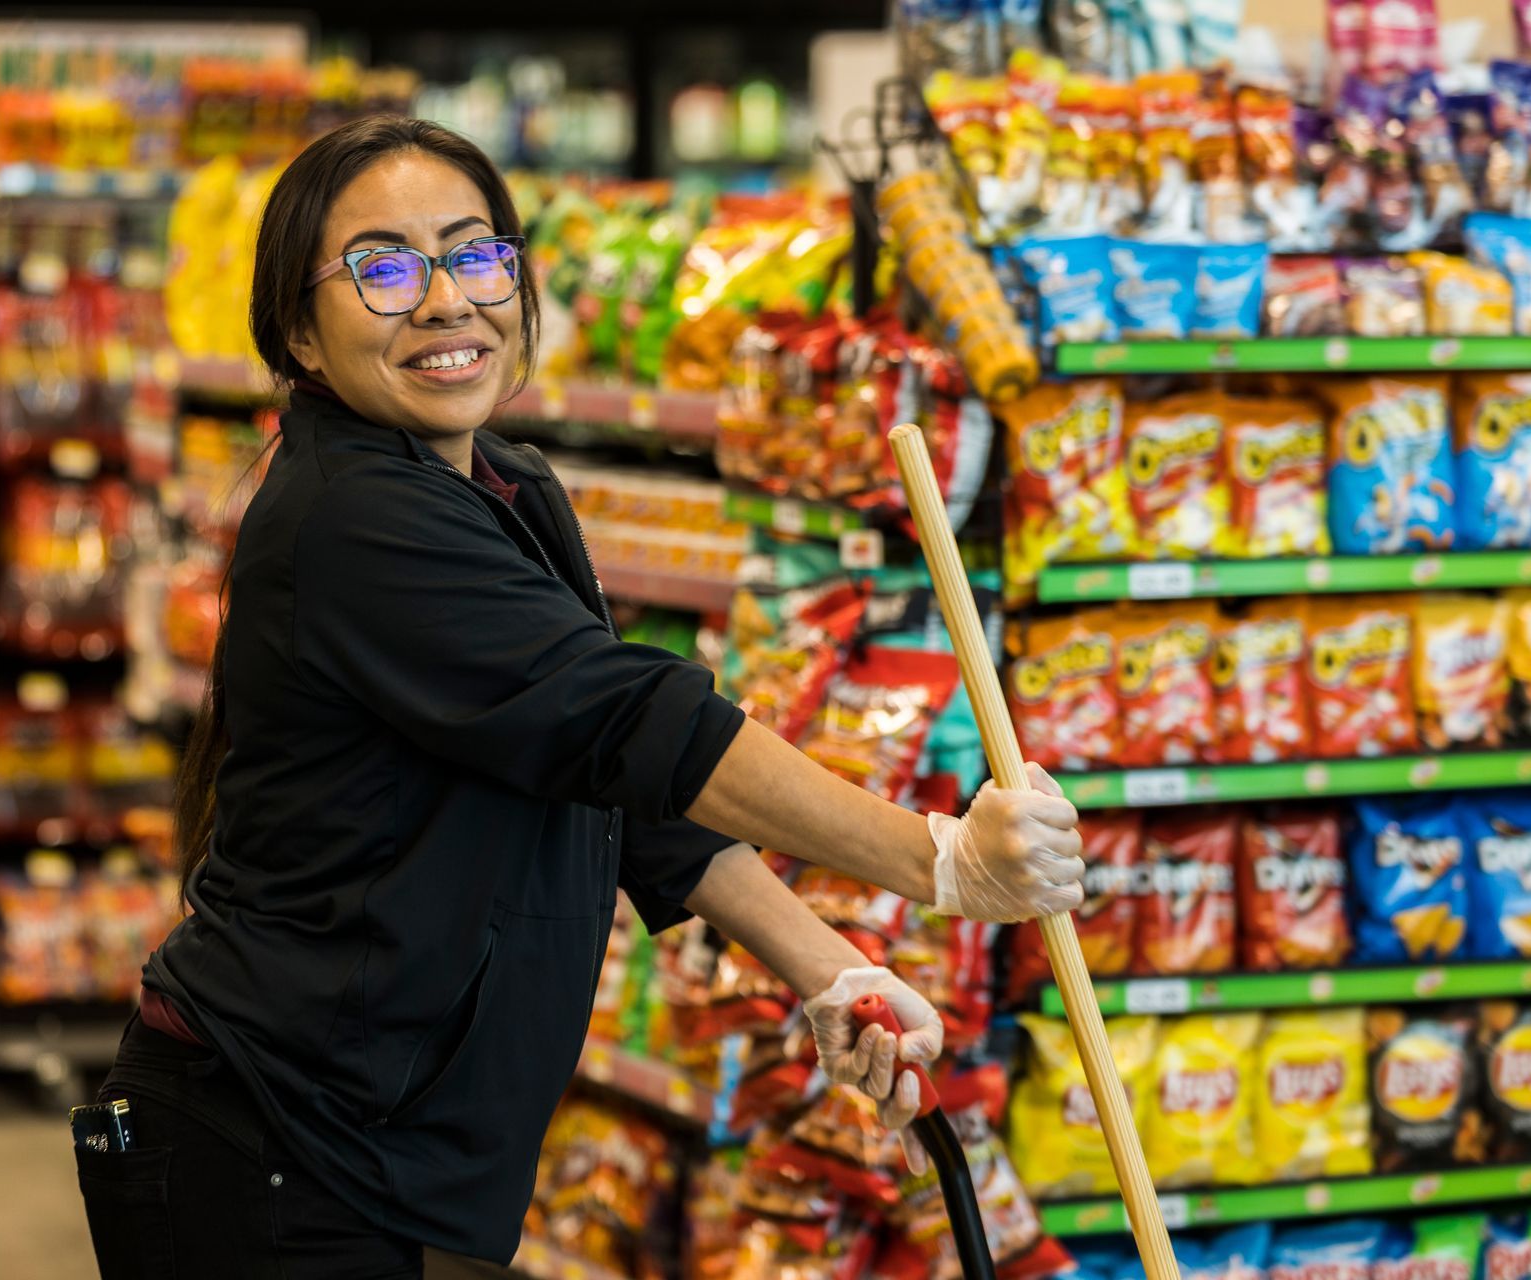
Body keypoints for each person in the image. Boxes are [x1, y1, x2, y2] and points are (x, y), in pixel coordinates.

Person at [75, 115, 1086, 1280]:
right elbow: (632, 715)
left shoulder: (507, 486)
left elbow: (619, 787)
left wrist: (832, 967)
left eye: (474, 253)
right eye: (385, 268)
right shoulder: (351, 517)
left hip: (339, 1144)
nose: (449, 299)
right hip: (255, 1139)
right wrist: (937, 860)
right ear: (299, 329)